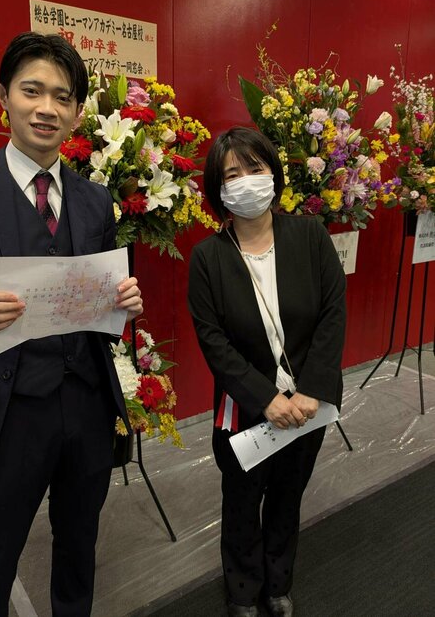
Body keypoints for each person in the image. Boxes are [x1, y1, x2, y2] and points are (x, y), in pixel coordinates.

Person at [0, 32, 143, 616]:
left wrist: (126, 301)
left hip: (86, 404)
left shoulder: (95, 200)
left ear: (76, 112)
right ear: (3, 96)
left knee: (79, 545)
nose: (47, 107)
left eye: (62, 97)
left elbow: (103, 296)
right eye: (32, 91)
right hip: (6, 407)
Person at [187, 127, 346, 617]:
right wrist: (265, 398)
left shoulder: (310, 236)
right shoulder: (208, 258)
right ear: (218, 190)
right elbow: (212, 340)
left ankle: (278, 584)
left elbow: (332, 313)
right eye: (232, 173)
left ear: (274, 173)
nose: (246, 181)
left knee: (287, 496)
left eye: (255, 168)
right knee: (241, 501)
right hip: (246, 407)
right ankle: (241, 590)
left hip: (308, 405)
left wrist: (312, 390)